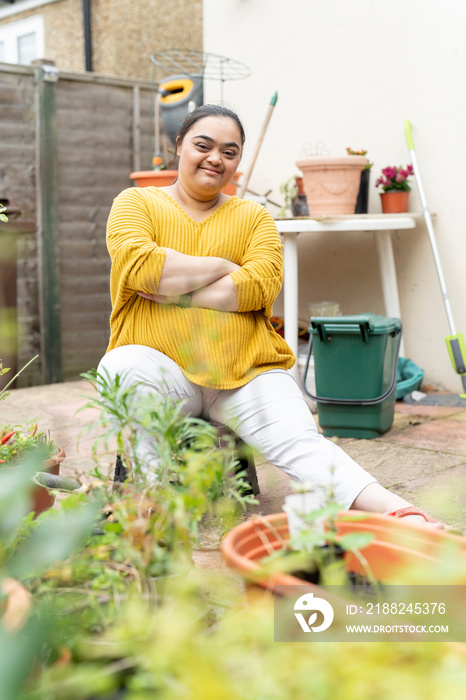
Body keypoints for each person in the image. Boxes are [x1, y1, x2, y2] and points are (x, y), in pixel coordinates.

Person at [98, 104, 440, 527]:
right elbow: (143, 268)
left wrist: (176, 293)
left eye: (229, 151)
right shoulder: (135, 203)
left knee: (301, 443)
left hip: (246, 370)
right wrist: (225, 265)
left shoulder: (254, 217)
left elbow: (258, 287)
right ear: (179, 146)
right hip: (163, 368)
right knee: (120, 367)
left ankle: (400, 514)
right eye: (203, 145)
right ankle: (148, 514)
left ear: (237, 160)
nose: (215, 159)